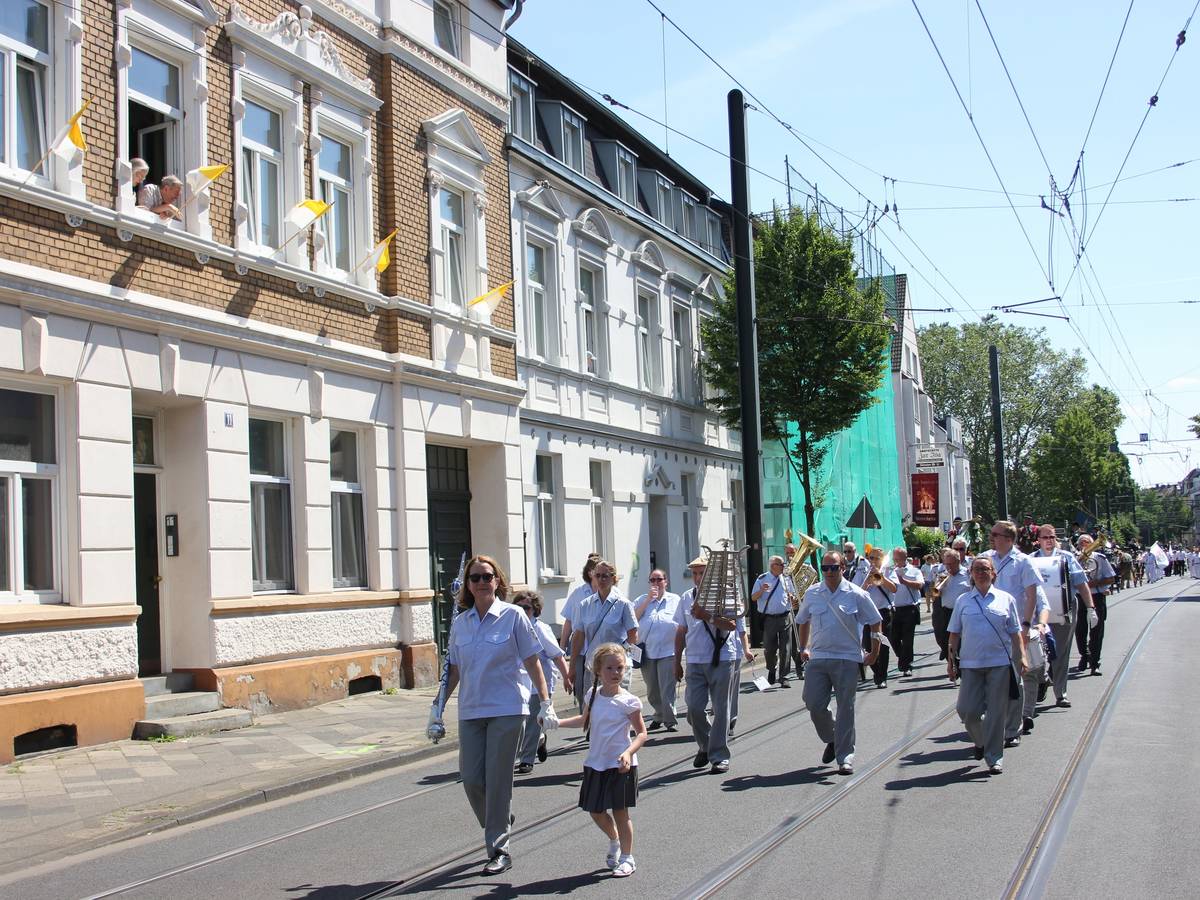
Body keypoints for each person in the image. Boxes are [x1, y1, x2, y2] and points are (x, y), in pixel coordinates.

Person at [431, 555, 557, 875]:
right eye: (475, 578)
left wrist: (545, 701)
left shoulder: (514, 616)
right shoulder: (461, 623)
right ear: (468, 586)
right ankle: (499, 818)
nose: (482, 583)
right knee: (472, 779)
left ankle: (499, 848)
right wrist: (438, 707)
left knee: (498, 780)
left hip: (507, 708)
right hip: (471, 709)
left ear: (497, 581)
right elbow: (454, 670)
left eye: (487, 577)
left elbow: (532, 661)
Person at [559, 643, 647, 878]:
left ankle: (628, 858)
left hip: (621, 766)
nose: (616, 672)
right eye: (610, 668)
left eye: (620, 668)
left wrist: (628, 753)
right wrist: (555, 723)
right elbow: (582, 721)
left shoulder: (629, 701)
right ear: (598, 670)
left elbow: (642, 733)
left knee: (621, 812)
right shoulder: (592, 695)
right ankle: (614, 840)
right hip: (596, 762)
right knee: (595, 811)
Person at [795, 550, 883, 775]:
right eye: (825, 568)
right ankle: (832, 738)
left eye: (834, 567)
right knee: (813, 703)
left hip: (847, 658)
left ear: (843, 568)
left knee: (846, 708)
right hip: (819, 657)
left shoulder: (856, 594)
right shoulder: (813, 593)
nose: (829, 572)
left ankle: (845, 757)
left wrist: (873, 654)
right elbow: (802, 620)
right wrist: (803, 647)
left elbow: (875, 623)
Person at [947, 556, 1028, 775]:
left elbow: (1015, 632)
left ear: (994, 573)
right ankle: (981, 741)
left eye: (985, 569)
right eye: (977, 569)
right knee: (967, 711)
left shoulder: (1006, 599)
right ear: (971, 574)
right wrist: (950, 661)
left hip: (999, 664)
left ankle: (994, 757)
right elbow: (954, 633)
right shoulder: (963, 600)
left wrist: (1021, 657)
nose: (981, 573)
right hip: (970, 664)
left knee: (996, 713)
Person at [673, 555, 745, 774]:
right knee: (694, 709)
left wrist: (708, 616)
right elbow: (681, 631)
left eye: (701, 572)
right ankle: (705, 745)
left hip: (723, 658)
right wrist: (677, 661)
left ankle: (719, 756)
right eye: (694, 573)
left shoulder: (727, 595)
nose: (697, 577)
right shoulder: (686, 597)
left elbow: (732, 625)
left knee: (721, 708)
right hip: (694, 660)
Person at [980, 520, 1041, 748]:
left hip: (1013, 628)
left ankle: (1012, 729)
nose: (991, 537)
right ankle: (995, 723)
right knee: (989, 678)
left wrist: (1025, 625)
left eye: (995, 534)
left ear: (1008, 538)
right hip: (988, 628)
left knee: (1015, 681)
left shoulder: (1023, 562)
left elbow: (1032, 596)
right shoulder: (987, 559)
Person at [1029, 524, 1096, 709]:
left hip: (1064, 611)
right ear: (1038, 540)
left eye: (1051, 537)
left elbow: (1081, 584)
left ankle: (1061, 693)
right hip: (1038, 613)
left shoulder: (1066, 558)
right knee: (1036, 654)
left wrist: (1091, 608)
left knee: (1060, 654)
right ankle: (1041, 683)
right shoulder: (1030, 559)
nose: (1049, 541)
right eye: (1045, 537)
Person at [513, 590, 572, 775]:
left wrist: (568, 678)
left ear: (535, 610)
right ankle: (539, 740)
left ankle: (526, 760)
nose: (522, 610)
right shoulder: (510, 626)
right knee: (520, 723)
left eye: (527, 608)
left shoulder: (541, 629)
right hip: (517, 684)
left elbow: (557, 656)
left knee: (531, 721)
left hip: (540, 684)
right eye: (519, 606)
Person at [571, 560, 638, 694]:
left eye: (605, 576)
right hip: (593, 666)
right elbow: (578, 636)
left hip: (616, 667)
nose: (601, 579)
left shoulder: (623, 604)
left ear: (613, 579)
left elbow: (633, 635)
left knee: (617, 707)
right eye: (598, 575)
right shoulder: (585, 605)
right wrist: (572, 665)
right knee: (592, 708)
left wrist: (620, 652)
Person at [633, 569, 681, 731]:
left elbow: (682, 622)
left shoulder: (675, 600)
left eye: (659, 579)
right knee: (652, 689)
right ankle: (659, 714)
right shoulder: (641, 600)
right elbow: (632, 620)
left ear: (665, 581)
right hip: (647, 652)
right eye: (652, 580)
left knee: (667, 688)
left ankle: (670, 720)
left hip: (668, 651)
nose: (655, 583)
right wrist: (648, 600)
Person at [561, 554, 602, 711]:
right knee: (579, 688)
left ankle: (594, 723)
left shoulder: (611, 593)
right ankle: (585, 716)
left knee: (597, 688)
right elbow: (569, 621)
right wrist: (562, 646)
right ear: (590, 572)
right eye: (595, 571)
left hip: (600, 649)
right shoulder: (579, 593)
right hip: (580, 649)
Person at [1075, 534, 1116, 676]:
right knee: (1080, 630)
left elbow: (1111, 577)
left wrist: (1095, 583)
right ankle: (1084, 655)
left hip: (1097, 596)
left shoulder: (1099, 558)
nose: (1084, 545)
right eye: (1081, 543)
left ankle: (1094, 662)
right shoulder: (1074, 559)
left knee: (1097, 631)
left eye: (1087, 543)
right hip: (1079, 597)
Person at [750, 555, 793, 686]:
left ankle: (784, 676)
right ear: (773, 565)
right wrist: (762, 590)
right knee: (769, 648)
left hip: (785, 616)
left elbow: (792, 594)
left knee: (786, 648)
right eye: (781, 564)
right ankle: (771, 669)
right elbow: (753, 598)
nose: (783, 567)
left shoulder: (786, 579)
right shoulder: (762, 579)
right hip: (769, 619)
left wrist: (792, 597)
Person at [860, 546, 896, 688]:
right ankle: (876, 671)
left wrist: (881, 577)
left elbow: (894, 588)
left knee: (883, 645)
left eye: (877, 558)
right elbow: (858, 593)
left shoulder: (888, 570)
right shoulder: (863, 572)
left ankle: (882, 677)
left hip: (883, 614)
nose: (873, 561)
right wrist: (867, 582)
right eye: (871, 558)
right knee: (868, 646)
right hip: (867, 614)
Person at [888, 546, 924, 676]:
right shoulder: (891, 571)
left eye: (897, 558)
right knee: (893, 638)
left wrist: (904, 581)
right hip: (895, 609)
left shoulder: (914, 571)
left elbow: (920, 585)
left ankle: (906, 665)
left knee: (908, 639)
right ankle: (904, 658)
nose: (895, 561)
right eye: (894, 558)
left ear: (904, 557)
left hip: (910, 608)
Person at [933, 548, 973, 667]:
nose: (948, 567)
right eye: (946, 564)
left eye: (951, 564)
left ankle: (959, 666)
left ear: (958, 561)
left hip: (962, 612)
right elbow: (935, 595)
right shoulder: (942, 575)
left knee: (960, 642)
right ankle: (952, 662)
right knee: (942, 639)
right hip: (946, 612)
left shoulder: (967, 574)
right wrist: (940, 585)